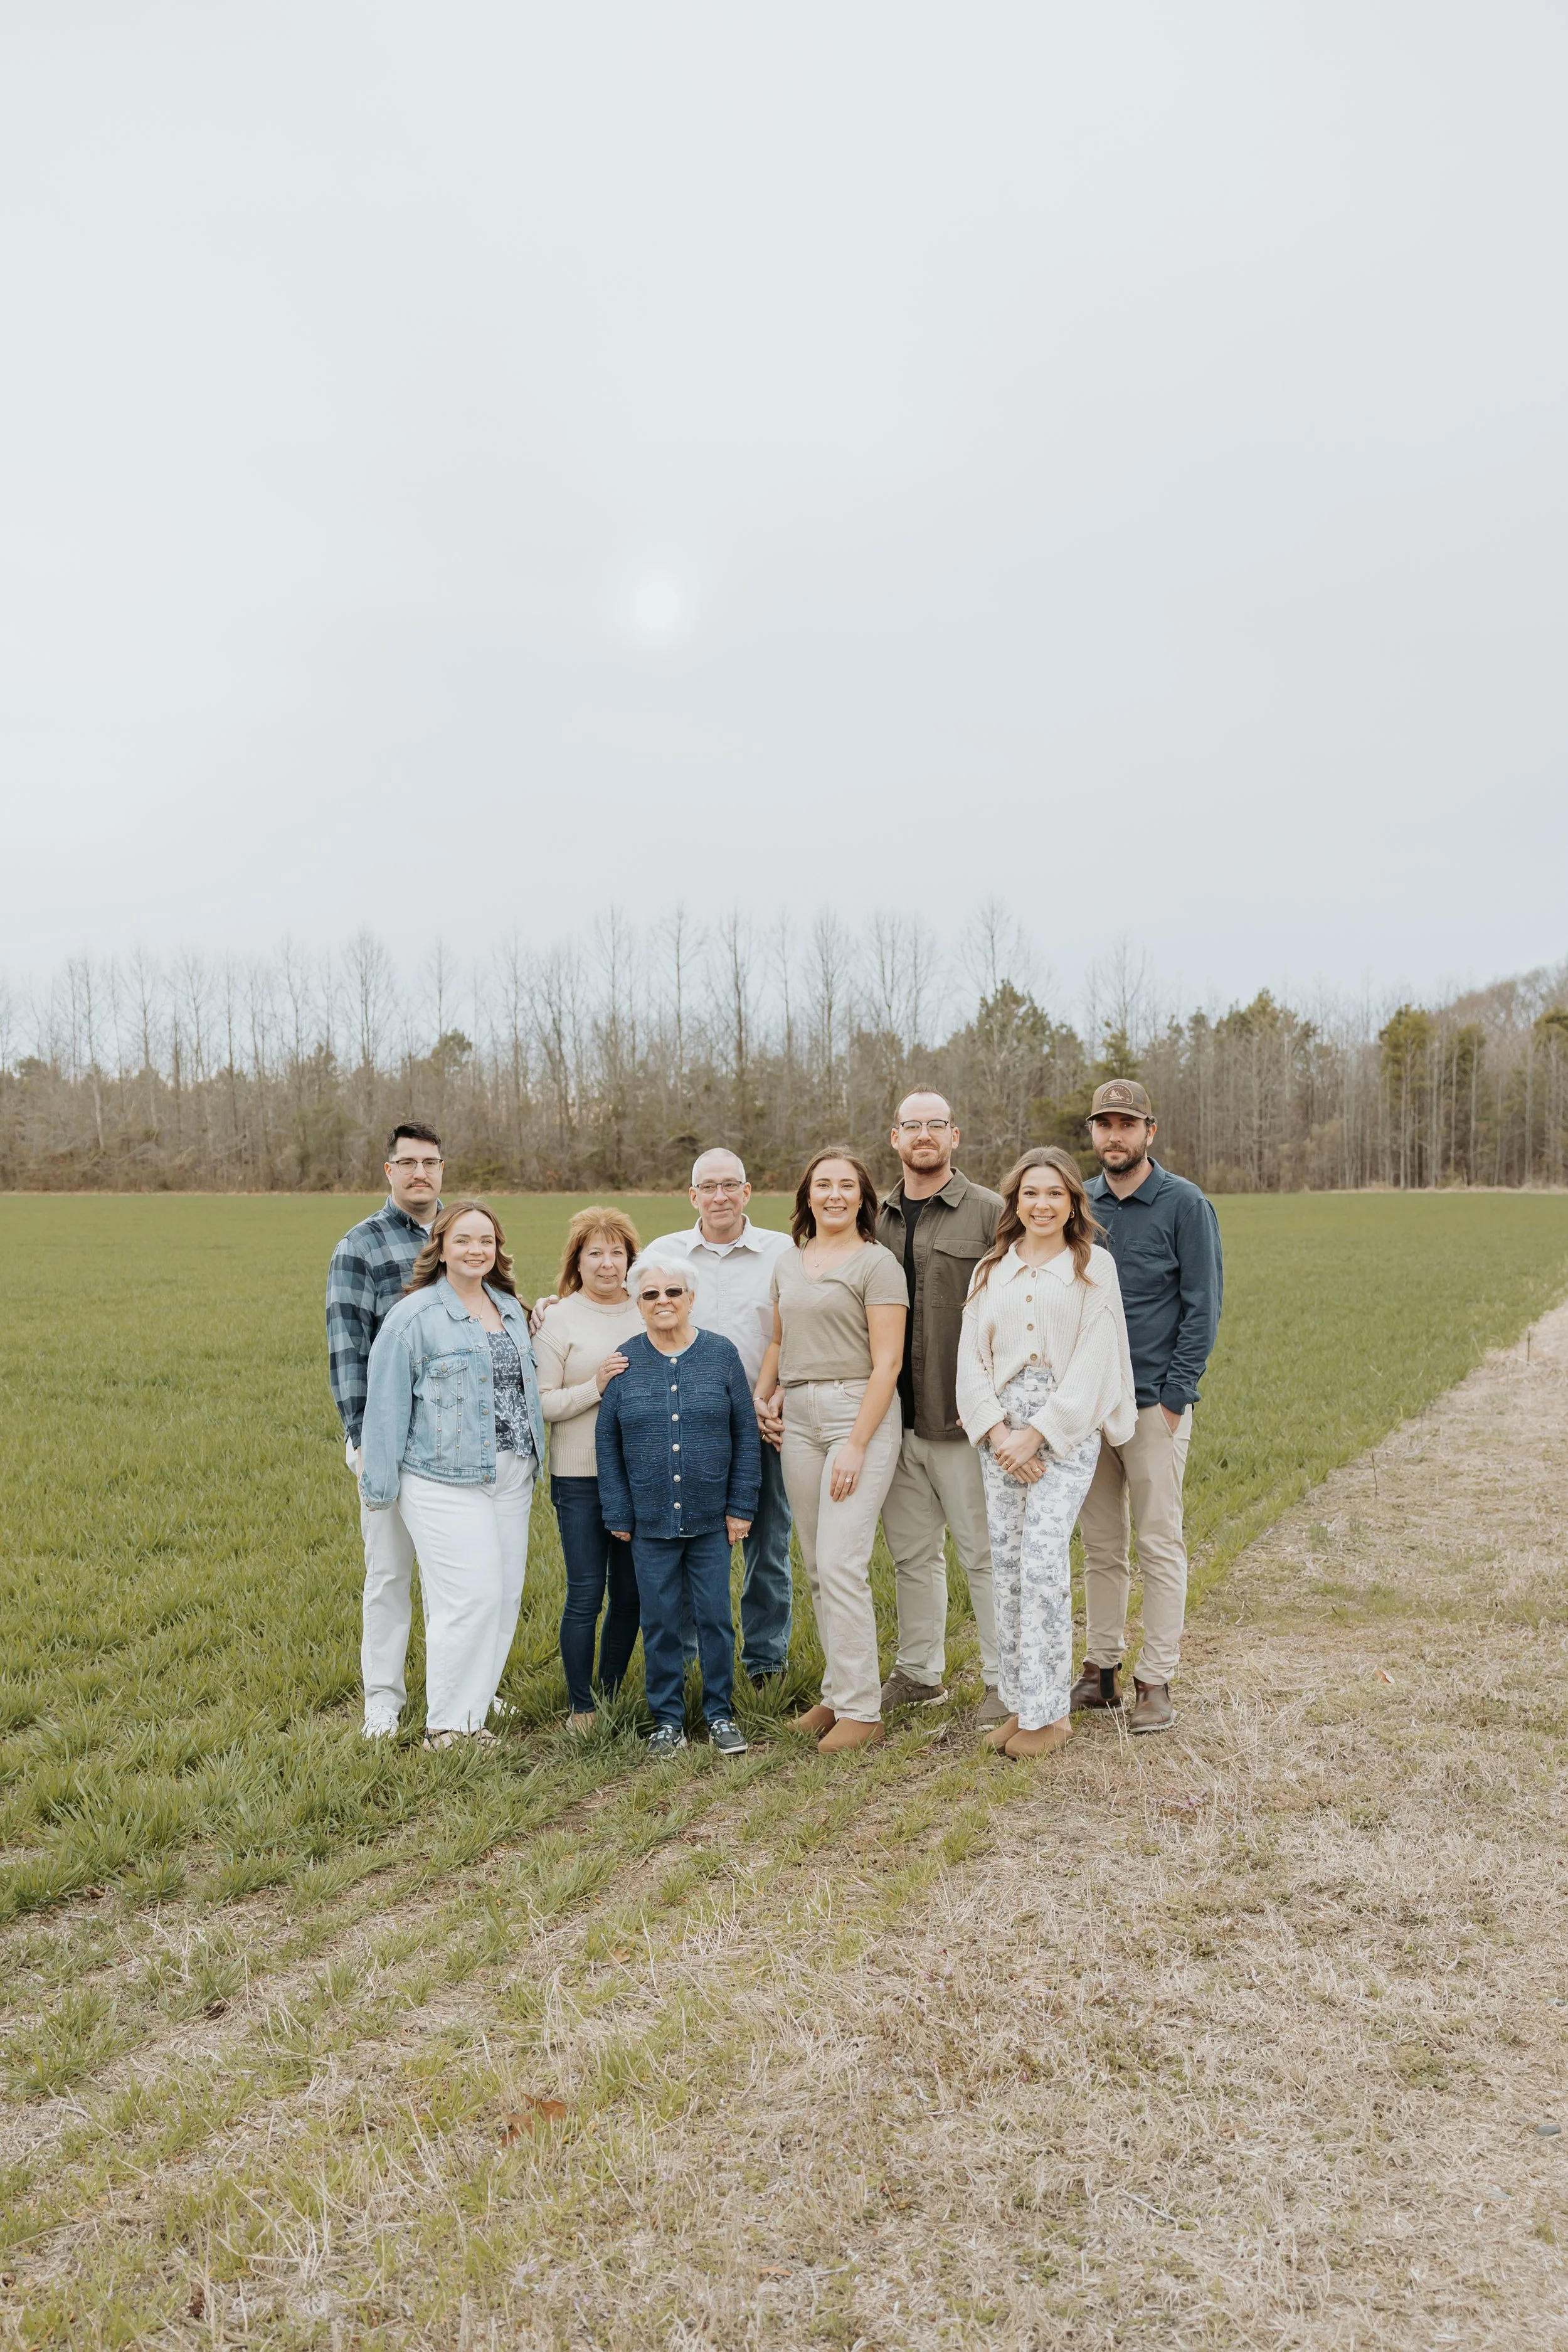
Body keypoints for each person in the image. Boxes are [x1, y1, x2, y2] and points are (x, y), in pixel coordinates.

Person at [956, 1148, 1136, 1760]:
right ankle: (1020, 1704)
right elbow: (969, 1363)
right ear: (1014, 1202)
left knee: (1040, 1561)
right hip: (998, 1433)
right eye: (1030, 1194)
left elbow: (1097, 1361)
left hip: (1065, 1428)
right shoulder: (991, 1270)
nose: (1041, 1204)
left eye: (1054, 1194)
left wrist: (1039, 1434)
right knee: (1006, 1566)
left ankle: (1051, 1714)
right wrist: (998, 1433)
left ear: (1072, 1204)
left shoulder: (1094, 1269)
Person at [359, 1199, 544, 1750]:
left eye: (485, 1241)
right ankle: (449, 1726)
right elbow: (386, 1407)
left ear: (498, 1249)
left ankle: (477, 1696)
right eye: (463, 1240)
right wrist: (380, 1489)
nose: (475, 1250)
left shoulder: (509, 1307)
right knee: (469, 1597)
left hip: (512, 1471)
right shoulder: (413, 1317)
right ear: (440, 1247)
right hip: (443, 1476)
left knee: (506, 1594)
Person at [1076, 1079, 1224, 1735]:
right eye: (1104, 1124)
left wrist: (1173, 1399)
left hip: (1150, 1409)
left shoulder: (1183, 1204)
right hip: (1088, 1408)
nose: (1114, 1135)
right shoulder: (1078, 1203)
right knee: (1101, 1545)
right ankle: (1100, 1670)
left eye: (1126, 1124)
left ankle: (1154, 1680)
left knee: (1159, 1543)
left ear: (1149, 1132)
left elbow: (1203, 1306)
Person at [755, 1150, 907, 1754]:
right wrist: (764, 1398)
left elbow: (888, 1362)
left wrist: (857, 1445)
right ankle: (838, 1693)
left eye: (848, 1185)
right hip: (800, 1417)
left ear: (863, 1197)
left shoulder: (878, 1264)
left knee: (843, 1563)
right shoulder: (789, 1263)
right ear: (808, 1196)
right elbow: (778, 1341)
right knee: (818, 1564)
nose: (835, 1195)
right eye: (824, 1185)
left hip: (856, 1413)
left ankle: (864, 1710)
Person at [874, 1089, 1005, 1725]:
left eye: (935, 1125)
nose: (922, 1135)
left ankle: (1003, 1681)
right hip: (894, 1423)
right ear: (894, 1138)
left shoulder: (990, 1214)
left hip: (965, 1425)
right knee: (911, 1556)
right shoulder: (876, 1217)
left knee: (981, 1553)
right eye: (911, 1126)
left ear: (955, 1135)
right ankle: (919, 1672)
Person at [595, 1253, 759, 1761]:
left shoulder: (720, 1354)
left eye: (672, 1293)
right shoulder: (624, 1360)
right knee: (661, 1620)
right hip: (649, 1523)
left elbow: (745, 1435)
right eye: (651, 1295)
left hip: (713, 1520)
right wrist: (619, 1513)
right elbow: (608, 1443)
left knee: (714, 1618)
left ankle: (720, 1714)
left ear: (690, 1299)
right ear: (637, 1304)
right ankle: (666, 1719)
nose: (662, 1301)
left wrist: (741, 1505)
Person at [645, 1148, 795, 1679]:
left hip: (768, 1422)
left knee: (768, 1548)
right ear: (693, 1196)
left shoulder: (783, 1252)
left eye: (730, 1185)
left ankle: (765, 1660)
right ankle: (687, 1662)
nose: (720, 1196)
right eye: (708, 1187)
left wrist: (773, 1398)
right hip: (690, 1428)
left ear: (747, 1191)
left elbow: (798, 1331)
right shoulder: (666, 1253)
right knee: (687, 1549)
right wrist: (549, 1305)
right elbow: (619, 1301)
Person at [326, 1120, 445, 1738]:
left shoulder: (465, 1236)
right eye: (409, 1163)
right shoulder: (361, 1246)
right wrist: (364, 1441)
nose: (420, 1172)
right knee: (390, 1574)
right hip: (390, 1441)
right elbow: (347, 1350)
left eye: (431, 1162)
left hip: (455, 1444)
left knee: (458, 1577)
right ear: (389, 1171)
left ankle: (466, 1690)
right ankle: (384, 1699)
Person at [532, 1207, 644, 1730]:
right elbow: (543, 1405)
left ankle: (610, 1692)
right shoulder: (559, 1318)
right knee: (585, 1593)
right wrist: (595, 1387)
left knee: (630, 1595)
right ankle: (581, 1707)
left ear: (630, 1259)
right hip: (579, 1479)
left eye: (616, 1252)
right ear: (577, 1260)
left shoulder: (649, 1308)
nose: (607, 1264)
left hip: (638, 1476)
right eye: (594, 1253)